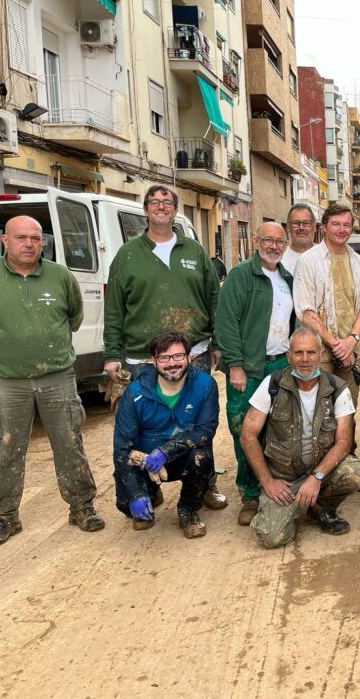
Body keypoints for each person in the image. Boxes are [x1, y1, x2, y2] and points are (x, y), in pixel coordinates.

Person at [0, 216, 104, 547]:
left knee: (70, 444)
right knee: (8, 448)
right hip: (6, 381)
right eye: (21, 238)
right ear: (5, 242)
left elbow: (74, 316)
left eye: (36, 238)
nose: (29, 244)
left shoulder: (59, 276)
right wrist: (3, 348)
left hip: (57, 377)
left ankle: (82, 507)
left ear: (44, 243)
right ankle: (5, 518)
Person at [103, 184, 225, 509]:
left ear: (174, 210)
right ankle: (145, 488)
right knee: (144, 429)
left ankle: (205, 484)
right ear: (145, 210)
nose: (161, 206)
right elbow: (114, 308)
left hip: (194, 354)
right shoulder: (127, 256)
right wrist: (112, 355)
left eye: (167, 202)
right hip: (142, 359)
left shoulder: (195, 251)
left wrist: (217, 342)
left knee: (199, 425)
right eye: (154, 202)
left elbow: (214, 298)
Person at [239, 327, 360, 548]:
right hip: (285, 478)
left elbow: (344, 441)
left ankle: (319, 506)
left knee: (355, 472)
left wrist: (317, 477)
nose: (305, 359)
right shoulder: (272, 384)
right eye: (298, 353)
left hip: (320, 472)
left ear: (321, 354)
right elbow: (248, 435)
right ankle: (301, 505)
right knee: (271, 538)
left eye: (311, 352)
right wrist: (268, 482)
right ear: (289, 356)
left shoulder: (338, 388)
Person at [215, 223, 294, 526]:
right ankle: (249, 494)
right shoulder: (241, 276)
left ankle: (273, 485)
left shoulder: (287, 278)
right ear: (257, 241)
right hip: (248, 368)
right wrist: (235, 364)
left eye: (279, 242)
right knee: (244, 429)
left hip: (279, 365)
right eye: (268, 240)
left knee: (277, 428)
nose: (274, 246)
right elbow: (226, 322)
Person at [112, 332, 218, 538]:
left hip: (181, 457)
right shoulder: (135, 392)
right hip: (144, 461)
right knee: (127, 503)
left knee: (202, 457)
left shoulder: (205, 385)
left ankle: (188, 509)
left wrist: (165, 452)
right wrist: (135, 493)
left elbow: (205, 431)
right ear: (154, 361)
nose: (172, 363)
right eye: (164, 358)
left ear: (189, 357)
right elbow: (122, 448)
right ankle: (149, 494)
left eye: (178, 356)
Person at [292, 203, 360, 408]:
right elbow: (305, 311)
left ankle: (347, 442)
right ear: (324, 227)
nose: (342, 230)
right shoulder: (308, 261)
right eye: (336, 224)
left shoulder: (359, 263)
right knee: (318, 411)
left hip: (351, 352)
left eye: (347, 225)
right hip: (319, 353)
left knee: (347, 410)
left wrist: (351, 342)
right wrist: (336, 345)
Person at [281, 203, 317, 276]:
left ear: (314, 227)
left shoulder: (325, 257)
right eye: (296, 223)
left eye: (306, 223)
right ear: (288, 227)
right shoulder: (280, 261)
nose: (301, 228)